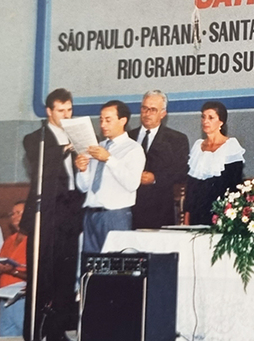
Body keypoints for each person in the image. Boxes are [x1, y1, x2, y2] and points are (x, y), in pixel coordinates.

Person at [19, 88, 84, 341]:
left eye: (69, 109)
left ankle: (57, 330)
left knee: (66, 273)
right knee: (42, 273)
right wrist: (64, 150)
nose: (66, 115)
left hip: (70, 210)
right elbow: (40, 164)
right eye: (61, 110)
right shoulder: (36, 137)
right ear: (49, 111)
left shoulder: (77, 135)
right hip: (46, 213)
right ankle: (34, 331)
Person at [75, 100, 145, 254]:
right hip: (91, 213)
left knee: (114, 267)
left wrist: (109, 159)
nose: (103, 125)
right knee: (90, 267)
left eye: (108, 120)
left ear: (123, 120)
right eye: (101, 120)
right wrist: (82, 170)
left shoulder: (133, 149)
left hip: (115, 215)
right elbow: (84, 187)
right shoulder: (97, 146)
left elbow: (132, 183)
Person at [130, 90, 190, 229]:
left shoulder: (176, 139)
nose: (147, 113)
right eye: (144, 108)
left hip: (159, 209)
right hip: (129, 208)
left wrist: (155, 178)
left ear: (163, 114)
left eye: (153, 110)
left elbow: (181, 171)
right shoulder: (128, 137)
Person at [184, 101, 244, 226]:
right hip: (197, 211)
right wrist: (187, 214)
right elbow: (191, 186)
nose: (205, 121)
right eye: (203, 117)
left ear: (221, 122)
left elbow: (234, 184)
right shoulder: (197, 146)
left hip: (221, 212)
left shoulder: (231, 146)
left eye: (211, 117)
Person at [0, 201, 27, 338]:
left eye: (19, 213)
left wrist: (12, 271)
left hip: (22, 300)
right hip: (5, 300)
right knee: (6, 337)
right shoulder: (8, 240)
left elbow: (39, 274)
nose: (15, 216)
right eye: (12, 213)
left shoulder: (36, 240)